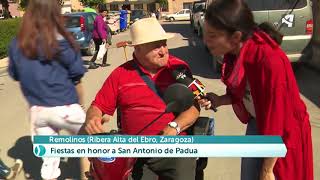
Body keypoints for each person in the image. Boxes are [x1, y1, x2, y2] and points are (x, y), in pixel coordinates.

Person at [198, 0, 313, 180]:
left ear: (235, 37)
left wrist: (267, 170)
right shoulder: (235, 54)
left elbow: (277, 120)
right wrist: (220, 100)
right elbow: (244, 93)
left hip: (283, 135)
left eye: (212, 35)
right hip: (257, 124)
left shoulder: (269, 60)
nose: (206, 41)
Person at [81, 18, 200, 180]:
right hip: (135, 154)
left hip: (176, 150)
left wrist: (175, 127)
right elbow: (98, 106)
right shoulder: (120, 74)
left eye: (164, 43)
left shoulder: (179, 68)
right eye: (156, 46)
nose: (164, 50)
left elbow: (194, 107)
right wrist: (93, 118)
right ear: (138, 48)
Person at [8, 0, 88, 179]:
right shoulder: (63, 40)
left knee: (50, 161)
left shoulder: (17, 44)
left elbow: (15, 75)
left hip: (38, 112)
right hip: (66, 107)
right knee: (88, 144)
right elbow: (77, 77)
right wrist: (81, 107)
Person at [88, 4, 110, 69]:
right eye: (105, 12)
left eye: (106, 12)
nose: (106, 14)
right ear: (101, 12)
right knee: (100, 50)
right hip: (99, 37)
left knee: (102, 49)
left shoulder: (100, 18)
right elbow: (100, 29)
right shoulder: (99, 18)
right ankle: (92, 62)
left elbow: (102, 27)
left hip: (97, 36)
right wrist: (103, 38)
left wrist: (105, 23)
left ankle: (103, 63)